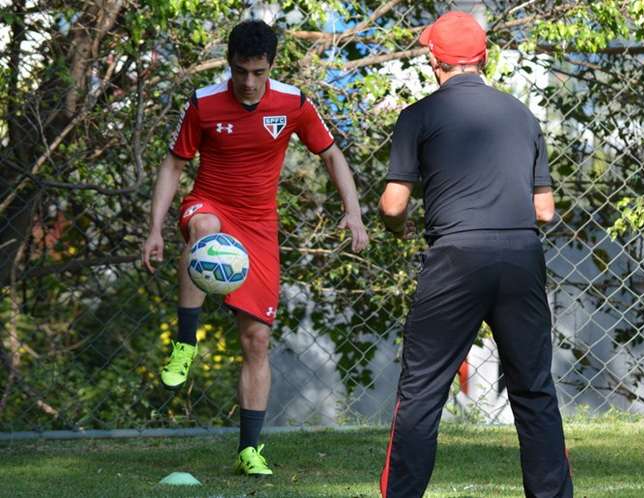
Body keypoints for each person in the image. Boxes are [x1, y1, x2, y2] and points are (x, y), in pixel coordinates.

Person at [142, 19, 368, 476]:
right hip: (212, 203)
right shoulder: (204, 104)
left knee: (257, 340)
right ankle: (185, 342)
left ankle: (249, 450)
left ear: (271, 67)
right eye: (240, 71)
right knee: (204, 229)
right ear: (229, 65)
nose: (248, 82)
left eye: (257, 72)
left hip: (259, 225)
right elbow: (174, 164)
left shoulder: (292, 103)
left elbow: (330, 153)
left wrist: (354, 211)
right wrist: (155, 229)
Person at [377, 11, 573, 498]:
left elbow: (393, 204)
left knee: (422, 391)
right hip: (521, 256)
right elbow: (545, 210)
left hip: (456, 259)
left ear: (432, 60)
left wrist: (396, 229)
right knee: (533, 390)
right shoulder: (521, 115)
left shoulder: (417, 116)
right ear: (484, 59)